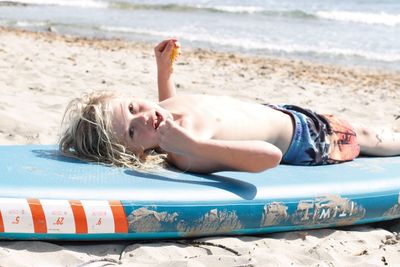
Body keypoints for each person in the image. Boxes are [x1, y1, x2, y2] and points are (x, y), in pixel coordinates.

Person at [59, 39, 400, 173]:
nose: (146, 117)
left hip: (280, 111)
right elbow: (270, 156)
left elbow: (166, 103)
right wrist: (193, 145)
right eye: (133, 131)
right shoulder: (188, 153)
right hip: (303, 140)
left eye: (133, 106)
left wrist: (165, 72)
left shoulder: (162, 114)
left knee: (364, 126)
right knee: (367, 136)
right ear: (139, 154)